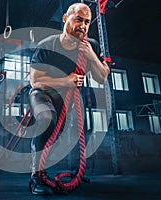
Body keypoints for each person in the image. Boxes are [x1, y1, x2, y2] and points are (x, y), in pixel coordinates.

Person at [28, 2, 110, 195]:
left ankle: (44, 171)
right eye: (78, 19)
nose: (83, 26)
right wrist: (66, 81)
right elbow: (35, 81)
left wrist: (91, 55)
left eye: (87, 22)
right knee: (46, 120)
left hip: (65, 100)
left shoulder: (91, 46)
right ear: (65, 18)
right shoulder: (48, 45)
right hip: (42, 94)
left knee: (54, 135)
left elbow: (102, 76)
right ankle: (35, 178)